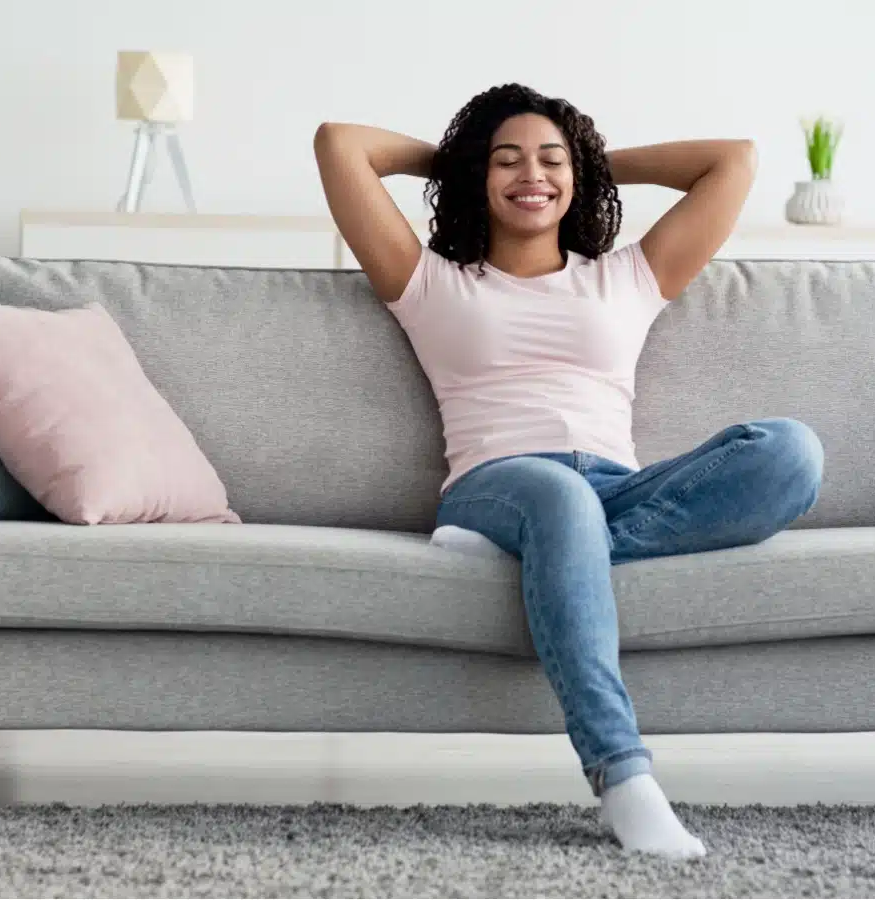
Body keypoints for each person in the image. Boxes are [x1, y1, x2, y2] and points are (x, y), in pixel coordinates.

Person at [314, 83, 824, 859]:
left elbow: (734, 161)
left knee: (791, 452)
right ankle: (623, 777)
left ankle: (551, 556)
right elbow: (339, 143)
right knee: (556, 497)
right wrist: (456, 158)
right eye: (507, 161)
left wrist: (588, 159)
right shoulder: (430, 282)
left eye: (552, 161)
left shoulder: (626, 276)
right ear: (477, 179)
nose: (532, 175)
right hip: (499, 484)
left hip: (616, 486)